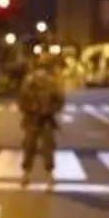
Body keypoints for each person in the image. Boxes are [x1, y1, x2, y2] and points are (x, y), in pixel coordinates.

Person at [17, 58, 65, 186]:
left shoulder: (52, 83)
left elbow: (60, 100)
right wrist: (31, 109)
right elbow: (22, 100)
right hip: (32, 120)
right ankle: (26, 174)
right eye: (39, 69)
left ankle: (49, 175)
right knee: (29, 146)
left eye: (43, 70)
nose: (40, 73)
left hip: (47, 120)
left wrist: (50, 110)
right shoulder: (29, 82)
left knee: (48, 147)